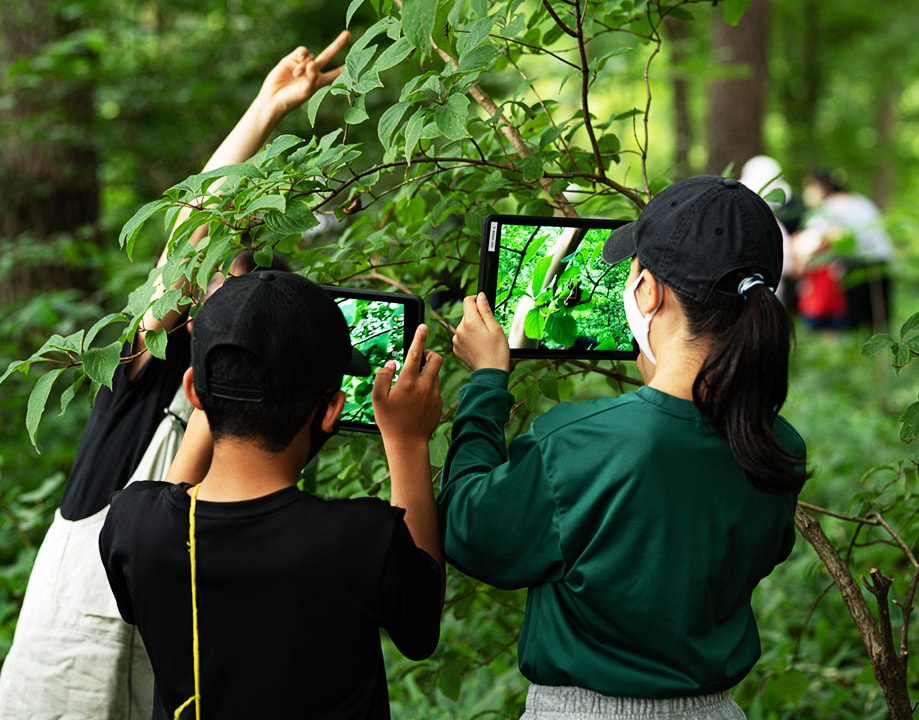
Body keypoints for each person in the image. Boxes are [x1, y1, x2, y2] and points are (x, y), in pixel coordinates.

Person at [0, 31, 351, 719]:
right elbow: (186, 236)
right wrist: (263, 110)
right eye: (212, 275)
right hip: (62, 688)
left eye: (234, 280)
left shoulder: (259, 415)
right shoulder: (144, 385)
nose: (207, 283)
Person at [438, 175, 810, 719]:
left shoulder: (578, 442)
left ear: (648, 292)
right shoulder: (777, 445)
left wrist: (488, 382)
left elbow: (468, 529)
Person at [99, 272, 444, 719]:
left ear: (192, 393)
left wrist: (219, 393)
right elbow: (420, 629)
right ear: (333, 409)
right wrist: (408, 443)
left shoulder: (131, 523)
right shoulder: (362, 539)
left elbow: (170, 500)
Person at [797, 169, 894, 331]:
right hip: (881, 262)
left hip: (857, 266)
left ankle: (859, 355)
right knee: (879, 322)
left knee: (855, 323)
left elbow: (815, 242)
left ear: (820, 187)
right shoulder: (861, 201)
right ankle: (883, 355)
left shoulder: (830, 207)